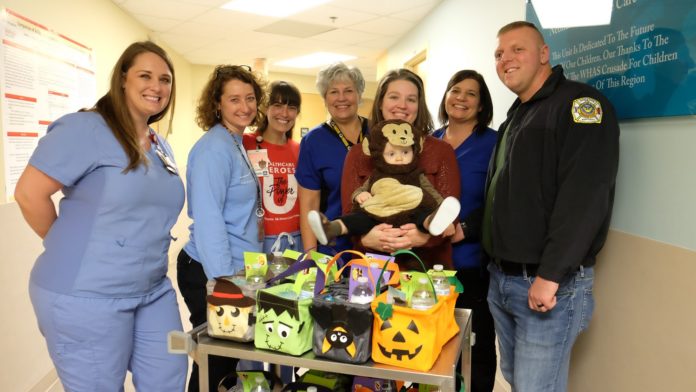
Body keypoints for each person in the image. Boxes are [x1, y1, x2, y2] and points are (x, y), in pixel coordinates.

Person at [14, 41, 186, 391]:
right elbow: (29, 194)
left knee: (168, 377)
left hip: (152, 289)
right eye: (145, 75)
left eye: (165, 79)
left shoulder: (158, 143)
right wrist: (66, 247)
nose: (157, 86)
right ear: (123, 79)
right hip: (87, 296)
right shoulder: (86, 129)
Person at [485, 21, 619, 392]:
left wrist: (551, 275)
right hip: (504, 278)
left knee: (535, 388)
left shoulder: (580, 106)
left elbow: (585, 198)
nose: (505, 59)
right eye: (498, 54)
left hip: (545, 283)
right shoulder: (516, 115)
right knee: (518, 381)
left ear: (544, 54)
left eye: (517, 49)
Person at [177, 65, 265, 391]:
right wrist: (225, 282)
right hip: (209, 271)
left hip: (233, 270)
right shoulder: (213, 149)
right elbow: (210, 220)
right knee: (214, 364)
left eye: (250, 98)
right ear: (217, 104)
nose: (244, 107)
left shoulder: (235, 141)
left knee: (226, 364)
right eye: (234, 100)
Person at [341, 69, 460, 270]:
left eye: (411, 99)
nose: (402, 105)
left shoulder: (441, 151)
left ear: (419, 106)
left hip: (428, 269)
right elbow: (349, 211)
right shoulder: (359, 152)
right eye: (394, 97)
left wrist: (424, 238)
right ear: (380, 102)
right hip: (373, 268)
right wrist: (366, 239)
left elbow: (450, 215)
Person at [433, 70, 498, 392]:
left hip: (472, 263)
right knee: (434, 344)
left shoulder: (494, 143)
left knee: (476, 347)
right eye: (455, 90)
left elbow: (502, 199)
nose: (461, 98)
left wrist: (466, 229)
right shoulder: (428, 141)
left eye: (471, 93)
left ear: (482, 104)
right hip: (430, 263)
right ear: (445, 96)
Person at [309, 119, 460, 245]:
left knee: (424, 215)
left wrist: (442, 210)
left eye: (405, 152)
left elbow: (432, 193)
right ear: (381, 155)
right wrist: (359, 196)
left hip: (411, 214)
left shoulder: (417, 174)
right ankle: (331, 229)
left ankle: (434, 222)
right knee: (357, 219)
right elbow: (361, 189)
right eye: (392, 153)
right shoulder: (377, 174)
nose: (399, 158)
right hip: (378, 215)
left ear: (415, 151)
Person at [296, 62, 368, 254]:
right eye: (333, 92)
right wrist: (311, 256)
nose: (341, 98)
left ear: (359, 94)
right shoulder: (313, 141)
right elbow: (309, 205)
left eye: (348, 91)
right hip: (334, 248)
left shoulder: (378, 132)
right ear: (325, 97)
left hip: (377, 244)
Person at [242, 80, 303, 254]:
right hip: (257, 241)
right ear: (265, 108)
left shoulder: (300, 150)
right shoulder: (246, 143)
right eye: (277, 105)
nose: (284, 113)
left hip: (295, 240)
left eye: (291, 107)